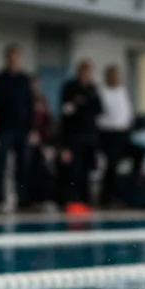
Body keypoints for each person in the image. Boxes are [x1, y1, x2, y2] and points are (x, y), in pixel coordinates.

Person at [0, 44, 34, 210]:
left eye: (17, 58)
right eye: (11, 58)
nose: (14, 61)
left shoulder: (25, 80)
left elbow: (30, 105)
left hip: (23, 129)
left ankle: (22, 197)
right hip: (4, 129)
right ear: (6, 59)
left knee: (23, 166)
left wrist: (31, 128)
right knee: (0, 164)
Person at [57, 60, 103, 208]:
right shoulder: (70, 88)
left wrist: (81, 105)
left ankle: (84, 200)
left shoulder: (93, 89)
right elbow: (66, 114)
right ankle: (72, 199)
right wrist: (63, 144)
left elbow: (98, 110)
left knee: (87, 170)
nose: (85, 75)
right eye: (82, 72)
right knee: (73, 170)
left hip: (90, 137)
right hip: (73, 137)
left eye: (87, 72)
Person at [97, 64, 133, 207]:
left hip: (122, 133)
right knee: (110, 166)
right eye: (113, 75)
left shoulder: (122, 91)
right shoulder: (102, 92)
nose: (116, 78)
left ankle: (123, 195)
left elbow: (126, 111)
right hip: (107, 133)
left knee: (120, 166)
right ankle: (107, 198)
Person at [29, 76, 56, 206]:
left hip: (42, 140)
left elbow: (47, 120)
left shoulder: (42, 100)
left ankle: (41, 196)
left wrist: (47, 138)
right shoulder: (26, 99)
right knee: (29, 168)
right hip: (29, 137)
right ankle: (30, 197)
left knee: (42, 168)